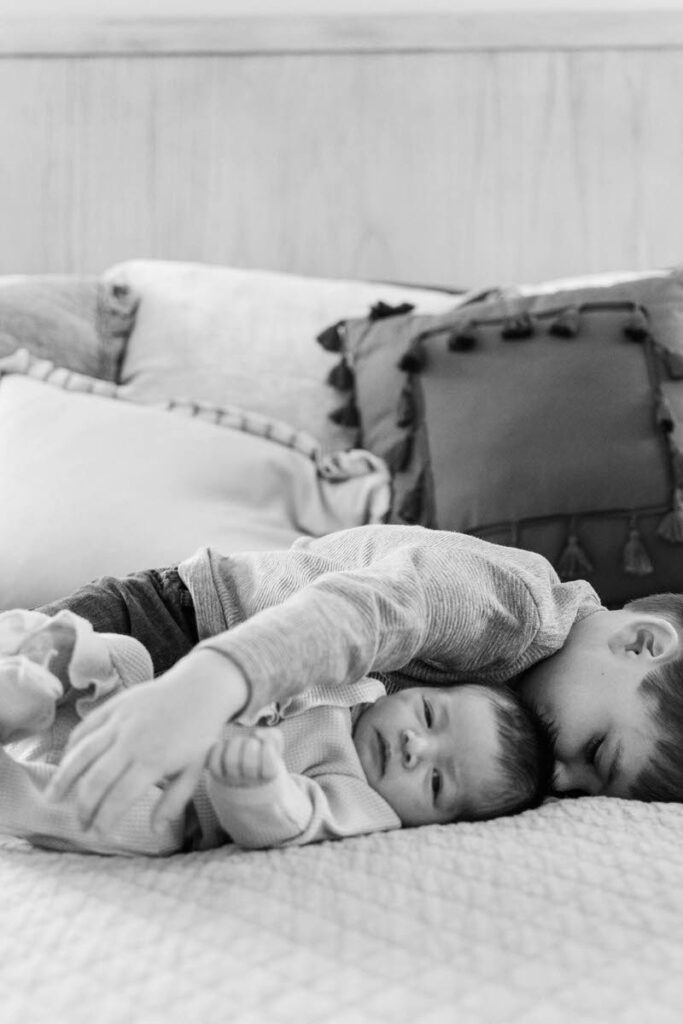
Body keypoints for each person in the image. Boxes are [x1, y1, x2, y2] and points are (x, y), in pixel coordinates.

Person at [34, 524, 683, 837]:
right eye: (596, 752)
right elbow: (358, 615)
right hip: (182, 624)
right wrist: (205, 685)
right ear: (640, 643)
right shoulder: (516, 607)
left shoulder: (522, 726)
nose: (564, 780)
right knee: (28, 663)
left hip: (239, 720)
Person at [0, 608, 549, 856]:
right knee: (124, 655)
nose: (414, 745)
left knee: (150, 826)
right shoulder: (355, 681)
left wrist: (255, 785)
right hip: (132, 722)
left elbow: (290, 822)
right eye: (430, 716)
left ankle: (13, 790)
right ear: (419, 688)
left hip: (172, 798)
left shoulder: (364, 801)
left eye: (435, 781)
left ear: (441, 825)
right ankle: (28, 683)